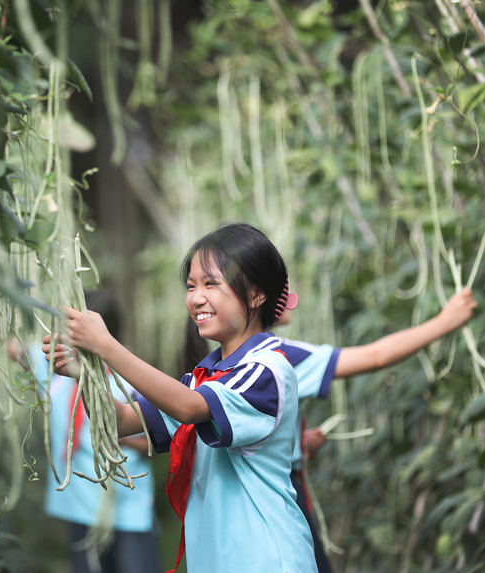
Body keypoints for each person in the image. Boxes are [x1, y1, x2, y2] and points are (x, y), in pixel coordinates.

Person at [44, 222, 317, 573]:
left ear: (255, 294)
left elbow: (189, 409)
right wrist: (89, 374)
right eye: (191, 286)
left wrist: (105, 345)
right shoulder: (204, 378)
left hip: (266, 560)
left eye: (211, 283)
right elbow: (121, 422)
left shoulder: (267, 370)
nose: (196, 297)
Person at [276, 288, 477, 572]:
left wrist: (292, 442)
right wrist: (445, 321)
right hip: (284, 495)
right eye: (283, 289)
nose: (292, 298)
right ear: (257, 295)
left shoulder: (227, 363)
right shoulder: (280, 357)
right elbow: (376, 356)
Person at [14, 290, 160, 573]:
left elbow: (153, 444)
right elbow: (16, 348)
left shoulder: (127, 384)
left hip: (127, 511)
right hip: (80, 509)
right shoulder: (57, 375)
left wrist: (112, 436)